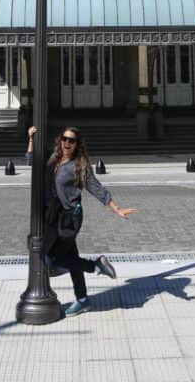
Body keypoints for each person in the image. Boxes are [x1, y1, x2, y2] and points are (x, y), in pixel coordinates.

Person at [26, 125, 136, 316]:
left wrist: (116, 208)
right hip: (54, 215)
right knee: (70, 258)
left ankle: (95, 266)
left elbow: (95, 187)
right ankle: (83, 299)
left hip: (69, 218)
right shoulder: (54, 158)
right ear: (60, 140)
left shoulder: (79, 164)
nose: (67, 143)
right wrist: (30, 139)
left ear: (77, 144)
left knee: (55, 259)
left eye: (72, 140)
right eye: (65, 139)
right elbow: (31, 161)